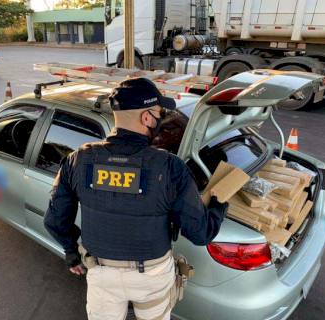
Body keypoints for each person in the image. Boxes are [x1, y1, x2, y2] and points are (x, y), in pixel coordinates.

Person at [44, 78, 228, 320]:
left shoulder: (77, 160)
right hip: (152, 276)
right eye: (160, 114)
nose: (161, 120)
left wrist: (72, 253)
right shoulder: (170, 167)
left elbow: (55, 221)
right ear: (146, 118)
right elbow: (200, 233)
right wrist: (218, 205)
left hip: (101, 273)